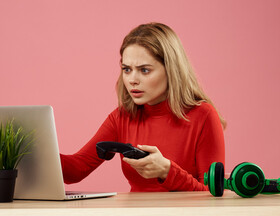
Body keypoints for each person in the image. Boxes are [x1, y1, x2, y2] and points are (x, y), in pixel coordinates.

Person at [60, 22, 225, 192]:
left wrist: (167, 172)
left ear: (171, 70)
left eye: (144, 70)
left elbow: (213, 197)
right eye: (127, 69)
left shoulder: (203, 116)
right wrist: (37, 154)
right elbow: (76, 169)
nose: (132, 80)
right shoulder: (121, 118)